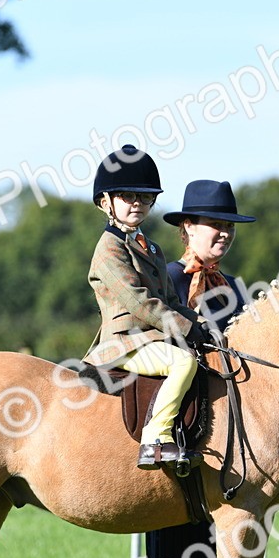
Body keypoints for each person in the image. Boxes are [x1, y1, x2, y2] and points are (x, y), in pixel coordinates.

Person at [144, 179, 257, 558]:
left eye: (228, 226)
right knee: (170, 539)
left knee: (212, 543)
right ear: (187, 227)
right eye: (214, 224)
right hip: (176, 414)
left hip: (222, 427)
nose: (223, 234)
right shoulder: (164, 276)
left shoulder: (235, 289)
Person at [82, 145, 210, 470]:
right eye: (127, 195)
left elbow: (171, 301)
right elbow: (139, 302)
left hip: (151, 338)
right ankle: (154, 440)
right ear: (105, 202)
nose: (137, 203)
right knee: (183, 363)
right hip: (124, 341)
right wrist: (183, 329)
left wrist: (201, 325)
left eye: (145, 196)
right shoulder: (108, 249)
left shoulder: (150, 246)